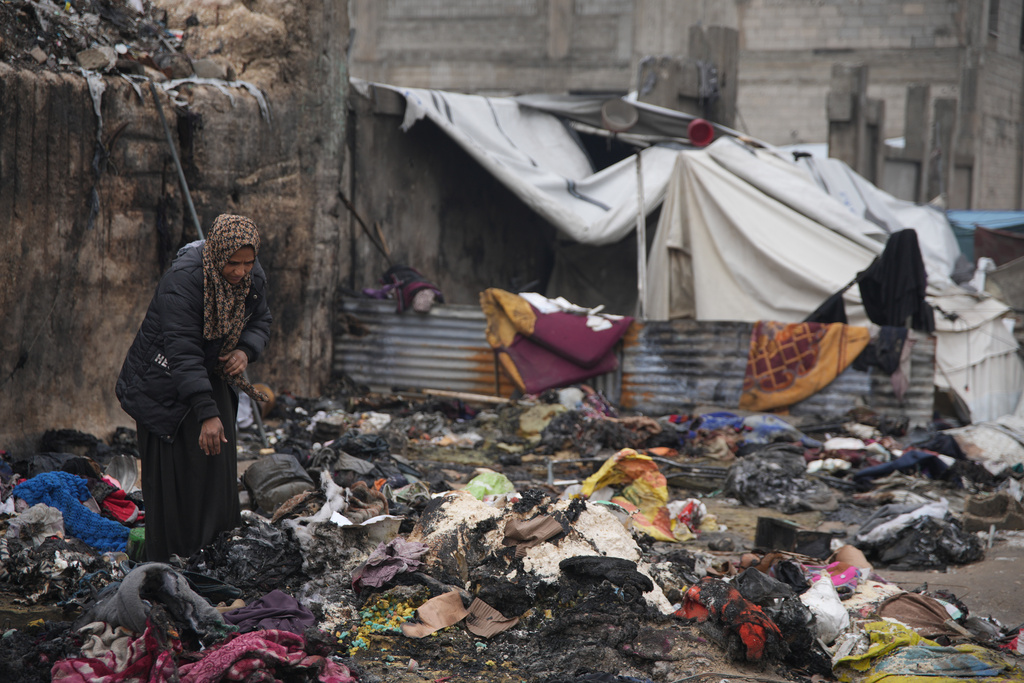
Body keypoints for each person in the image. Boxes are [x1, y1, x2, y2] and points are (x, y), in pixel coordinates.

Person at [116, 214, 272, 562]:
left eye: (248, 263)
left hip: (209, 374)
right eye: (233, 263)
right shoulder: (183, 281)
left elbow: (262, 319)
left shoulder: (252, 277)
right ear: (216, 254)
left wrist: (245, 351)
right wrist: (207, 413)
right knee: (175, 479)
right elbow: (182, 351)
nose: (240, 271)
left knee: (215, 474)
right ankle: (172, 559)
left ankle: (212, 556)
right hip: (162, 383)